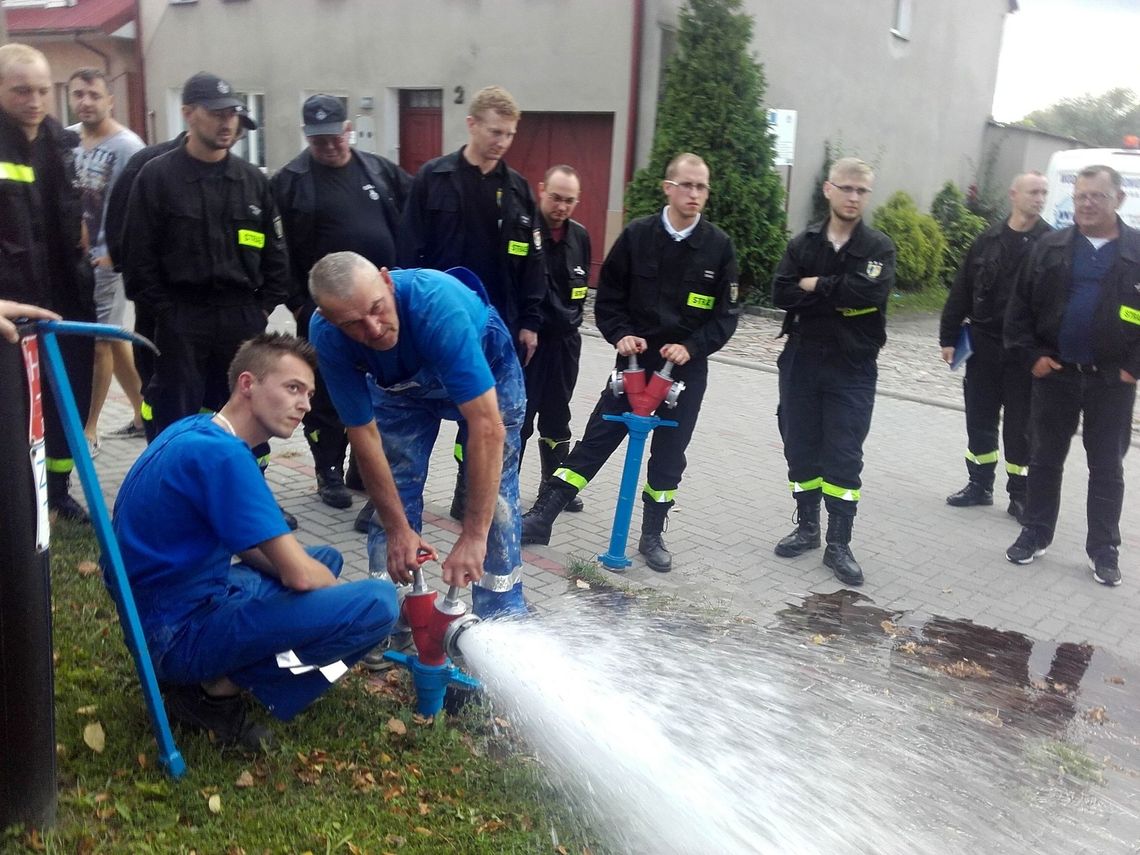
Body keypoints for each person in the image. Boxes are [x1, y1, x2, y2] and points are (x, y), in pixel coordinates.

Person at [112, 333, 397, 750]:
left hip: (161, 613)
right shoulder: (225, 457)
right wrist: (338, 602)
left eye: (310, 393)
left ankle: (212, 676)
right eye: (293, 388)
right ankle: (217, 692)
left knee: (327, 557)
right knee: (377, 605)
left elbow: (250, 546)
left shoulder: (198, 430)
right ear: (248, 384)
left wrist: (313, 581)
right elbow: (299, 577)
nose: (305, 405)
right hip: (175, 636)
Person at [521, 153, 740, 573]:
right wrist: (620, 334)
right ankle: (544, 516)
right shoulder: (637, 236)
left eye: (702, 187)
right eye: (687, 185)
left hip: (685, 371)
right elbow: (610, 300)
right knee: (596, 440)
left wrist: (692, 347)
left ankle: (652, 535)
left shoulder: (718, 247)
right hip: (635, 364)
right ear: (668, 187)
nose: (695, 194)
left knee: (669, 457)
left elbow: (726, 317)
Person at [307, 253, 527, 618]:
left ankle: (500, 616)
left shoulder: (435, 306)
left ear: (387, 281)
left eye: (378, 308)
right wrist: (397, 530)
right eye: (354, 324)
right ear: (330, 321)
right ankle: (389, 615)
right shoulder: (328, 336)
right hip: (399, 388)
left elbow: (487, 428)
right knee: (395, 485)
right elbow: (364, 436)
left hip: (486, 364)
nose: (374, 329)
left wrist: (473, 536)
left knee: (496, 496)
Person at [122, 72, 296, 527]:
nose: (227, 124)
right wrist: (165, 312)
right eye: (217, 114)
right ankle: (170, 505)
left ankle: (250, 505)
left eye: (233, 115)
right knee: (176, 413)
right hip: (181, 315)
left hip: (241, 316)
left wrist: (261, 309)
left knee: (248, 413)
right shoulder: (157, 178)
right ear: (188, 114)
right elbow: (137, 258)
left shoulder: (250, 181)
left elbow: (277, 255)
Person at [398, 84, 544, 520]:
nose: (501, 141)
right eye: (495, 131)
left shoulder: (517, 191)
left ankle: (469, 493)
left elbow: (533, 263)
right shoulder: (434, 179)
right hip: (436, 324)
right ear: (472, 125)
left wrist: (530, 321)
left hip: (496, 328)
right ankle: (400, 502)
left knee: (482, 419)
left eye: (509, 134)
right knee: (415, 413)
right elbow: (407, 253)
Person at [272, 94, 410, 513]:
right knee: (327, 394)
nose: (329, 147)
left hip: (378, 310)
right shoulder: (290, 181)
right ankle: (327, 471)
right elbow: (278, 251)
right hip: (323, 315)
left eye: (334, 137)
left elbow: (415, 210)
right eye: (319, 141)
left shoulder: (379, 171)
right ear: (307, 138)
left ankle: (360, 469)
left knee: (376, 389)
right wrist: (297, 304)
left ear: (348, 129)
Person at [1004, 164, 1139, 587]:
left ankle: (1104, 550)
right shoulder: (1051, 246)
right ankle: (1035, 533)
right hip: (1056, 374)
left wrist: (1133, 368)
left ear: (1118, 199)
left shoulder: (1136, 251)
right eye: (1080, 195)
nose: (1086, 203)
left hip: (1110, 383)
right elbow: (1020, 308)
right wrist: (1034, 357)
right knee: (1044, 459)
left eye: (1097, 196)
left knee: (1106, 468)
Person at [770, 157, 896, 587]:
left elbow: (868, 292)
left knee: (843, 454)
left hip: (852, 365)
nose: (854, 197)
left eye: (862, 191)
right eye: (847, 188)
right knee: (800, 445)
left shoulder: (878, 248)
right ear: (829, 189)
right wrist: (832, 292)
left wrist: (814, 285)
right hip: (802, 359)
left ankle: (839, 544)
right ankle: (807, 528)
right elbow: (780, 291)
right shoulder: (804, 242)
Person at [0, 43, 96, 522]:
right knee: (16, 405)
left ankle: (56, 488)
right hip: (12, 306)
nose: (34, 100)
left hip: (67, 298)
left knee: (67, 398)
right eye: (21, 91)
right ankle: (20, 498)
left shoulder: (62, 143)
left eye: (42, 90)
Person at [939, 173, 1051, 522]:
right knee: (979, 418)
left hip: (1024, 352)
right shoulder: (987, 240)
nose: (1039, 198)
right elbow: (962, 289)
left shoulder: (1051, 243)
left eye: (1044, 193)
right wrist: (948, 336)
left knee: (1021, 426)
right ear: (1014, 194)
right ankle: (979, 485)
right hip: (983, 345)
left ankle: (1020, 495)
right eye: (1033, 192)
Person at [67, 68, 146, 448]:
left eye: (94, 95)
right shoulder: (66, 141)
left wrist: (116, 253)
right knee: (114, 339)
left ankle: (90, 428)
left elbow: (136, 205)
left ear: (109, 100)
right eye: (79, 94)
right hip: (75, 261)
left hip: (107, 261)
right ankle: (141, 411)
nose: (86, 102)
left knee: (99, 342)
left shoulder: (127, 146)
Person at [521, 165, 592, 513]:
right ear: (541, 190)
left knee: (557, 417)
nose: (561, 207)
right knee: (520, 418)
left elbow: (580, 292)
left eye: (569, 200)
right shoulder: (525, 231)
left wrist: (571, 322)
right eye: (556, 198)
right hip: (530, 343)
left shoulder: (579, 236)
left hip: (565, 345)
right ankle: (502, 490)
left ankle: (552, 489)